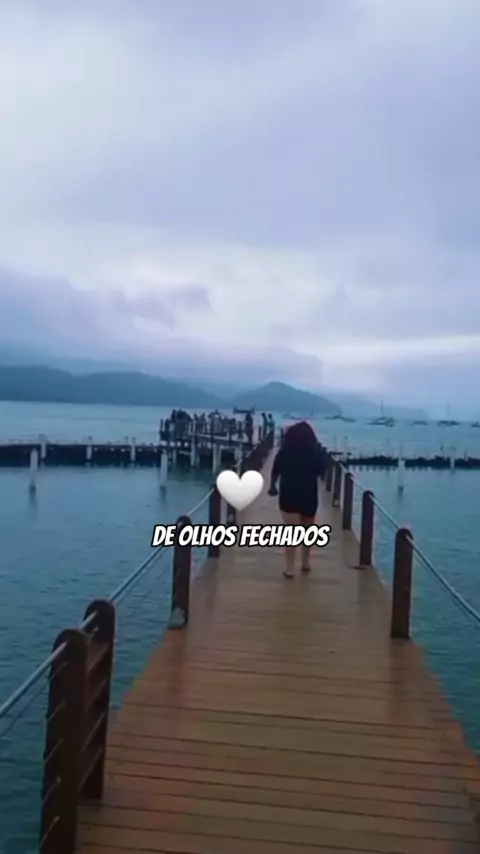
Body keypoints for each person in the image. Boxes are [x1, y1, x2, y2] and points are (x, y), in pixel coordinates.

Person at [268, 421, 325, 579]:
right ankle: (305, 562)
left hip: (289, 494)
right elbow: (322, 470)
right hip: (309, 494)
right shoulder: (314, 452)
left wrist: (272, 487)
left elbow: (275, 471)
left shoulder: (284, 451)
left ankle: (289, 567)